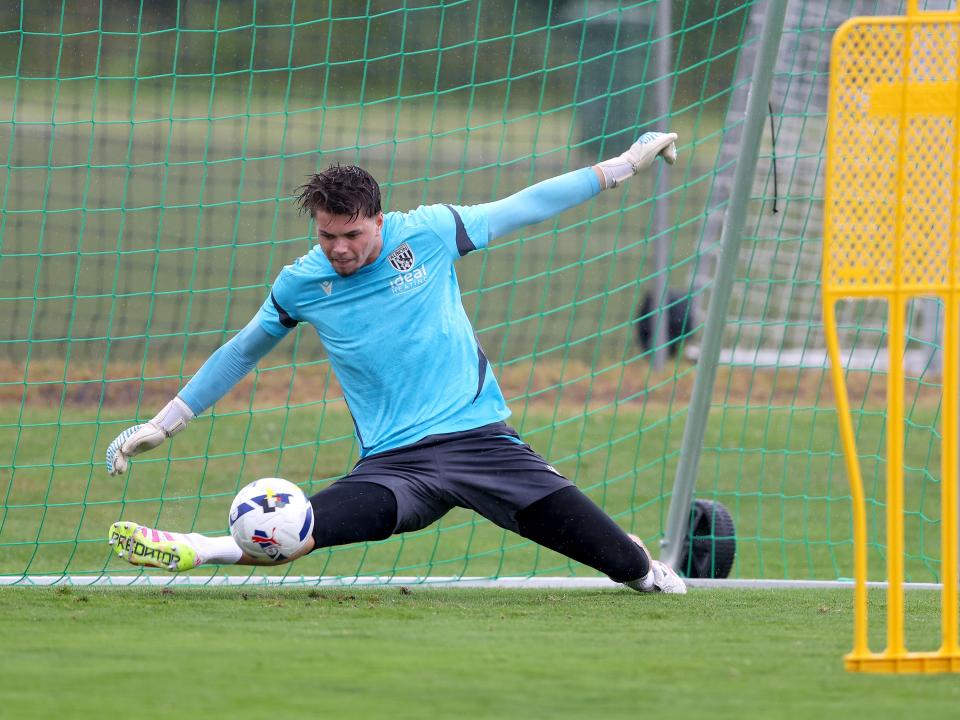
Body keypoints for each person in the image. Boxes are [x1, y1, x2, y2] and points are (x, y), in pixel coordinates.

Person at [105, 131, 686, 594]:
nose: (338, 248)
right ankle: (197, 547)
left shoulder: (429, 233)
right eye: (327, 235)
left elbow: (524, 206)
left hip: (482, 446)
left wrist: (624, 164)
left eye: (351, 234)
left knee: (634, 573)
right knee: (290, 534)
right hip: (396, 468)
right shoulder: (301, 284)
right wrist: (164, 423)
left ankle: (633, 554)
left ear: (379, 221)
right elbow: (240, 352)